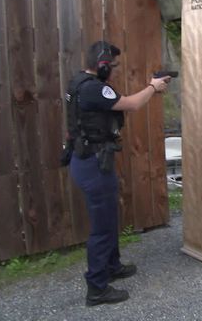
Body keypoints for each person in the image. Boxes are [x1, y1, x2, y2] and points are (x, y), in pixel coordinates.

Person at [62, 41, 170, 306]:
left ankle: (112, 266)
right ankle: (97, 288)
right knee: (102, 227)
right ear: (101, 66)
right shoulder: (93, 90)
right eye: (111, 66)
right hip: (93, 165)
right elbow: (131, 104)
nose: (114, 71)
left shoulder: (80, 83)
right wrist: (153, 88)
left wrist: (150, 86)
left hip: (89, 161)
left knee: (109, 217)